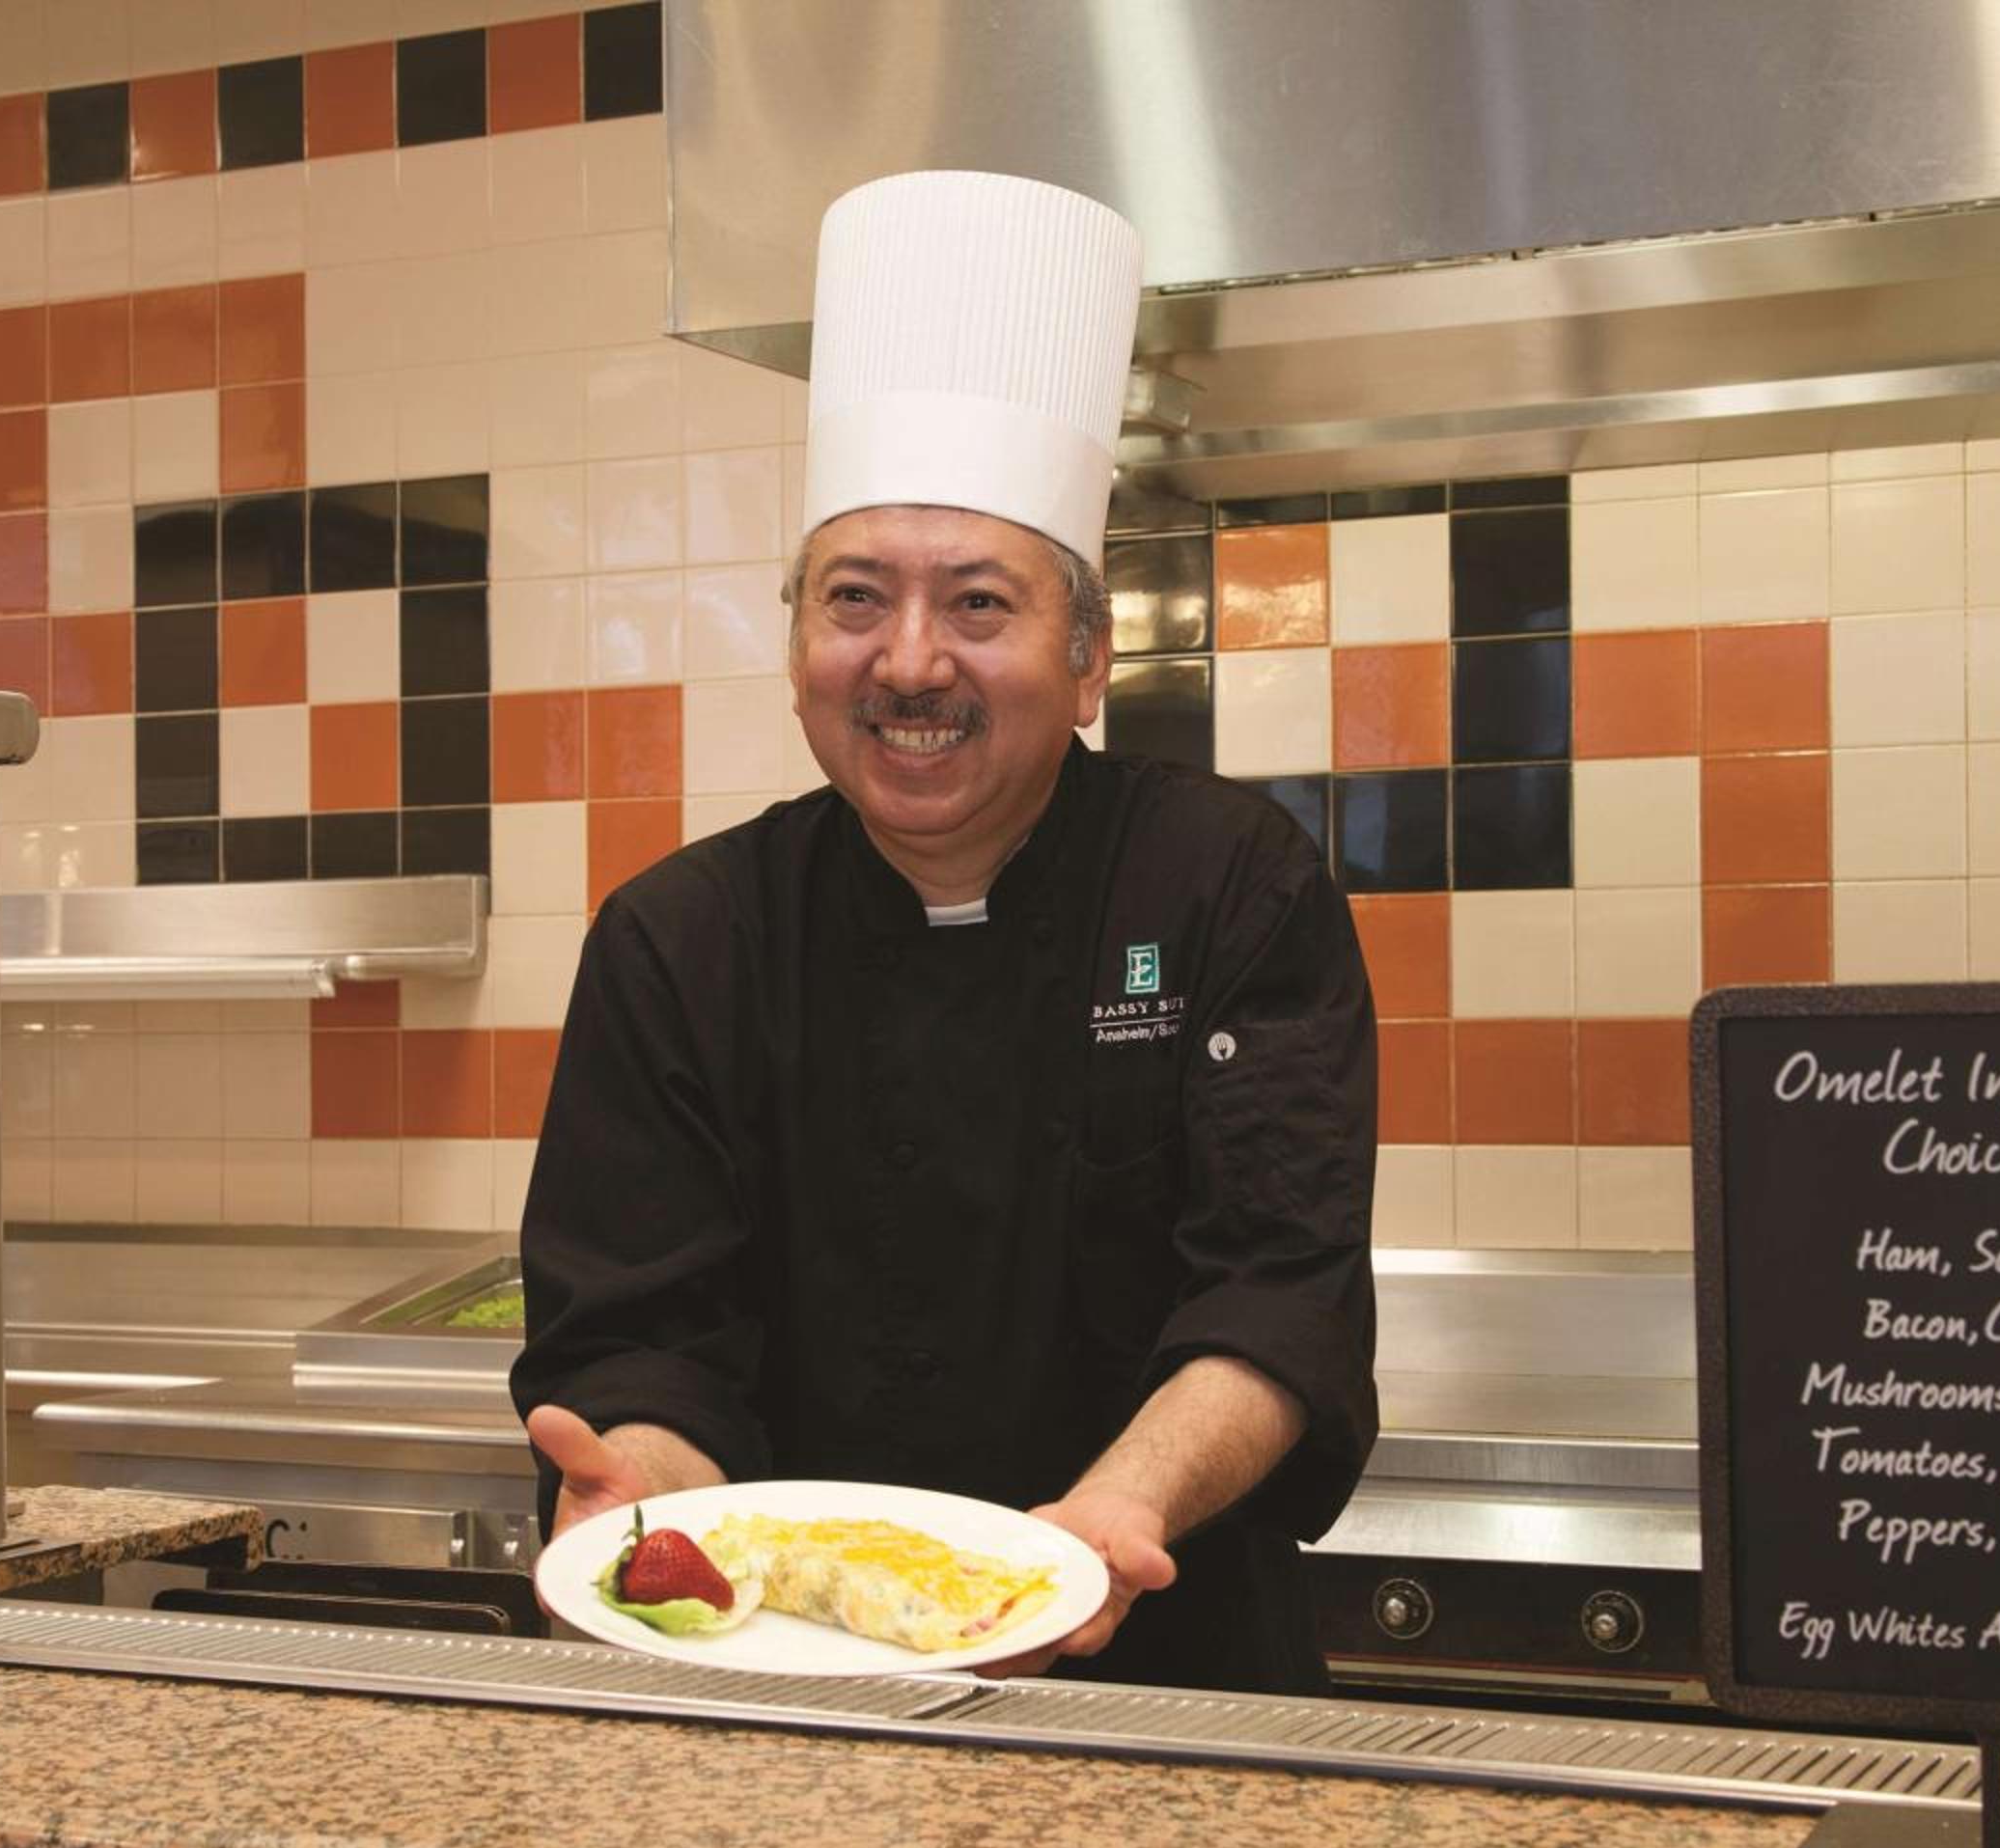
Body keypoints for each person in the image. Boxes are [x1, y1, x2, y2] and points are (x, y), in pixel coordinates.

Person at [511, 171, 1377, 1695]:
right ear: (797, 642)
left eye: (978, 605)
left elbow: (1276, 1291)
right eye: (856, 599)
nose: (909, 663)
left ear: (1090, 659)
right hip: (784, 1687)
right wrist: (641, 1495)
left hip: (1170, 1677)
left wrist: (1115, 1515)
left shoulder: (1230, 886)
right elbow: (647, 1340)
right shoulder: (680, 939)